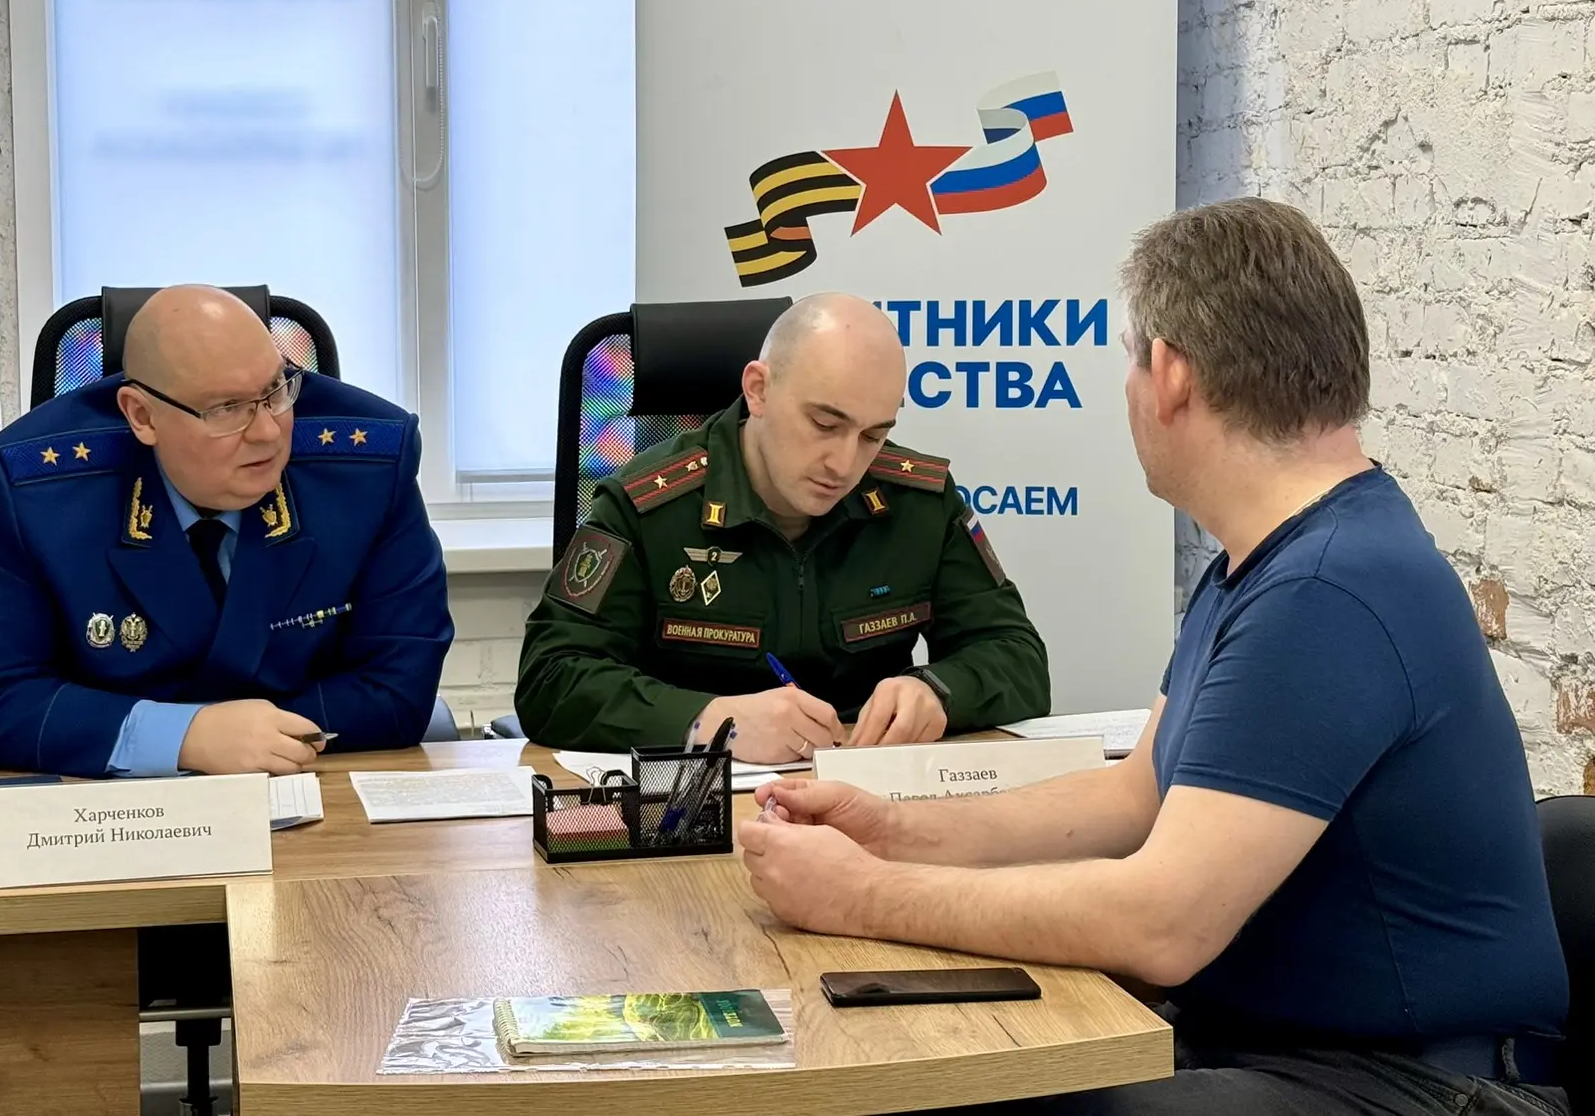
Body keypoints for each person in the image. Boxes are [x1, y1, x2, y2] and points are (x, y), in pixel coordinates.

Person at [741, 200, 1570, 1114]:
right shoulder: (1270, 560)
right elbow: (1136, 797)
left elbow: (1163, 924)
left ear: (1170, 374)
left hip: (1414, 1083)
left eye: (1132, 360)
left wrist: (862, 895)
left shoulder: (1327, 588)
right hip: (1291, 1047)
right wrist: (890, 829)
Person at [0, 285, 453, 778]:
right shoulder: (35, 492)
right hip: (107, 808)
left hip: (314, 784)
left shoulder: (369, 468)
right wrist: (187, 737)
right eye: (226, 408)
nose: (268, 432)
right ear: (142, 416)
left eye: (276, 390)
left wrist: (257, 739)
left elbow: (399, 687)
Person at [515, 292, 1049, 763]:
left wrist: (937, 690)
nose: (844, 463)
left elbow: (1017, 655)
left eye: (873, 435)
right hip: (699, 805)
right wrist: (709, 721)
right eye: (824, 424)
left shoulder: (919, 503)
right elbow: (551, 678)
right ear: (758, 390)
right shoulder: (648, 505)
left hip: (864, 798)